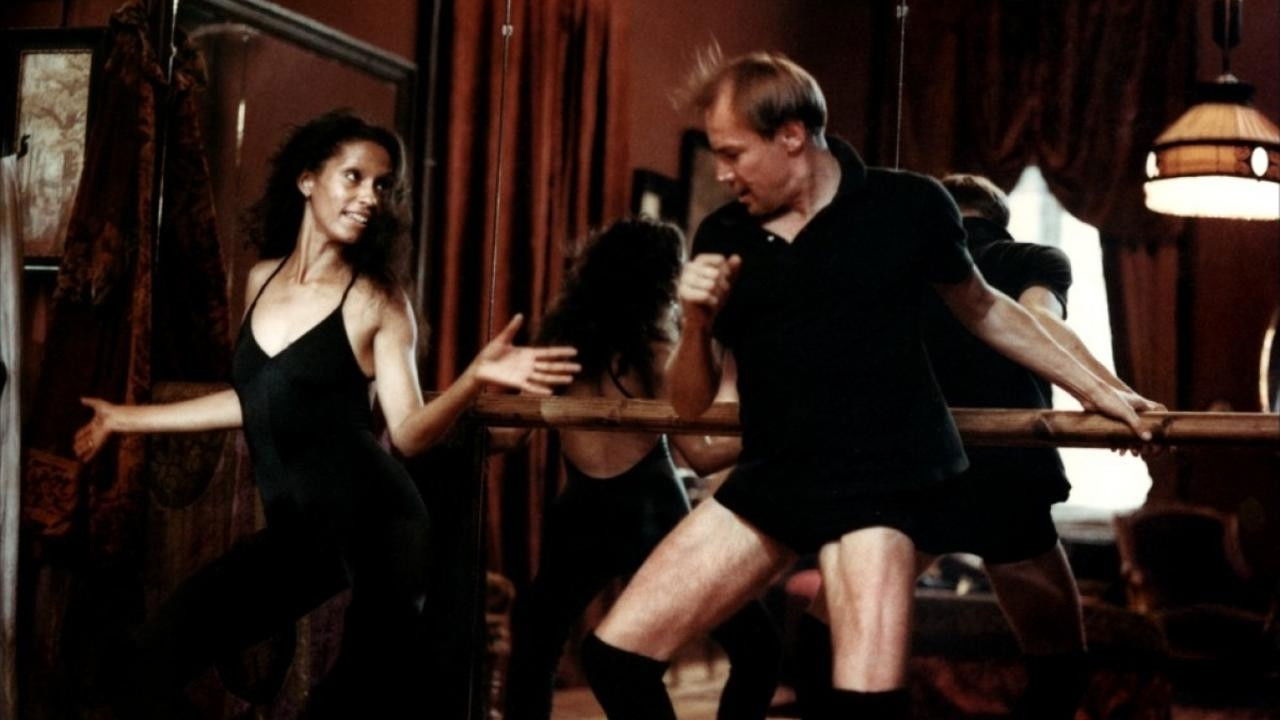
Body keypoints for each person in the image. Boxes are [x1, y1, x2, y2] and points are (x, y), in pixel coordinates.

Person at [578, 51, 1158, 720]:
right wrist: (698, 322)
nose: (722, 172)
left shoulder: (906, 204)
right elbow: (688, 405)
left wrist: (1100, 391)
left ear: (791, 135)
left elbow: (989, 311)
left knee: (861, 704)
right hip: (776, 477)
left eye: (733, 153)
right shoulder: (725, 231)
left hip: (882, 486)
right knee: (614, 659)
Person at [72, 111, 580, 718]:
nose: (370, 197)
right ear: (307, 179)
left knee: (343, 709)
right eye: (354, 176)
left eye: (383, 185)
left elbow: (409, 435)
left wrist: (473, 379)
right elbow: (256, 400)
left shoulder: (378, 301)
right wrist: (123, 419)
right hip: (301, 536)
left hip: (383, 531)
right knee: (151, 657)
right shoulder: (261, 279)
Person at [788, 173, 1164, 718]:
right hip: (1001, 472)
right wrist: (1120, 396)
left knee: (823, 632)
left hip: (916, 464)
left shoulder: (901, 264)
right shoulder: (1031, 258)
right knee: (1060, 664)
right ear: (998, 219)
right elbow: (1039, 323)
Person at [500, 217, 780, 719]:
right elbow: (702, 456)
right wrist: (774, 433)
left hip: (582, 513)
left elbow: (508, 436)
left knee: (536, 642)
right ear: (662, 281)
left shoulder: (558, 344)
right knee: (757, 644)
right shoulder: (659, 353)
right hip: (651, 514)